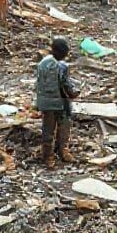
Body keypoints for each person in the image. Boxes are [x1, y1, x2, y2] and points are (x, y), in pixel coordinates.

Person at [34, 37, 79, 169]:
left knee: (48, 129)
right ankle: (62, 151)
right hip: (61, 101)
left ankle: (48, 155)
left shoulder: (42, 63)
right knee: (63, 127)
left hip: (46, 102)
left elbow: (39, 84)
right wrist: (73, 93)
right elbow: (66, 84)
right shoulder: (62, 66)